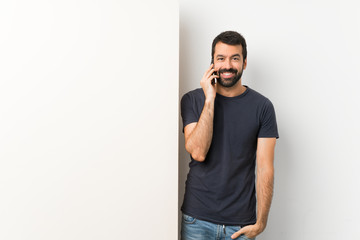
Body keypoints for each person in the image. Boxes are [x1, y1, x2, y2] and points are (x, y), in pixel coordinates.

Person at [180, 31, 279, 240]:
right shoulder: (192, 100)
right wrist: (209, 100)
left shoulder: (263, 107)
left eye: (235, 58)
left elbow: (265, 168)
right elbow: (198, 152)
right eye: (221, 58)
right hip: (197, 220)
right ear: (212, 63)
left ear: (244, 63)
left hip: (241, 224)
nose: (228, 65)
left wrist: (261, 223)